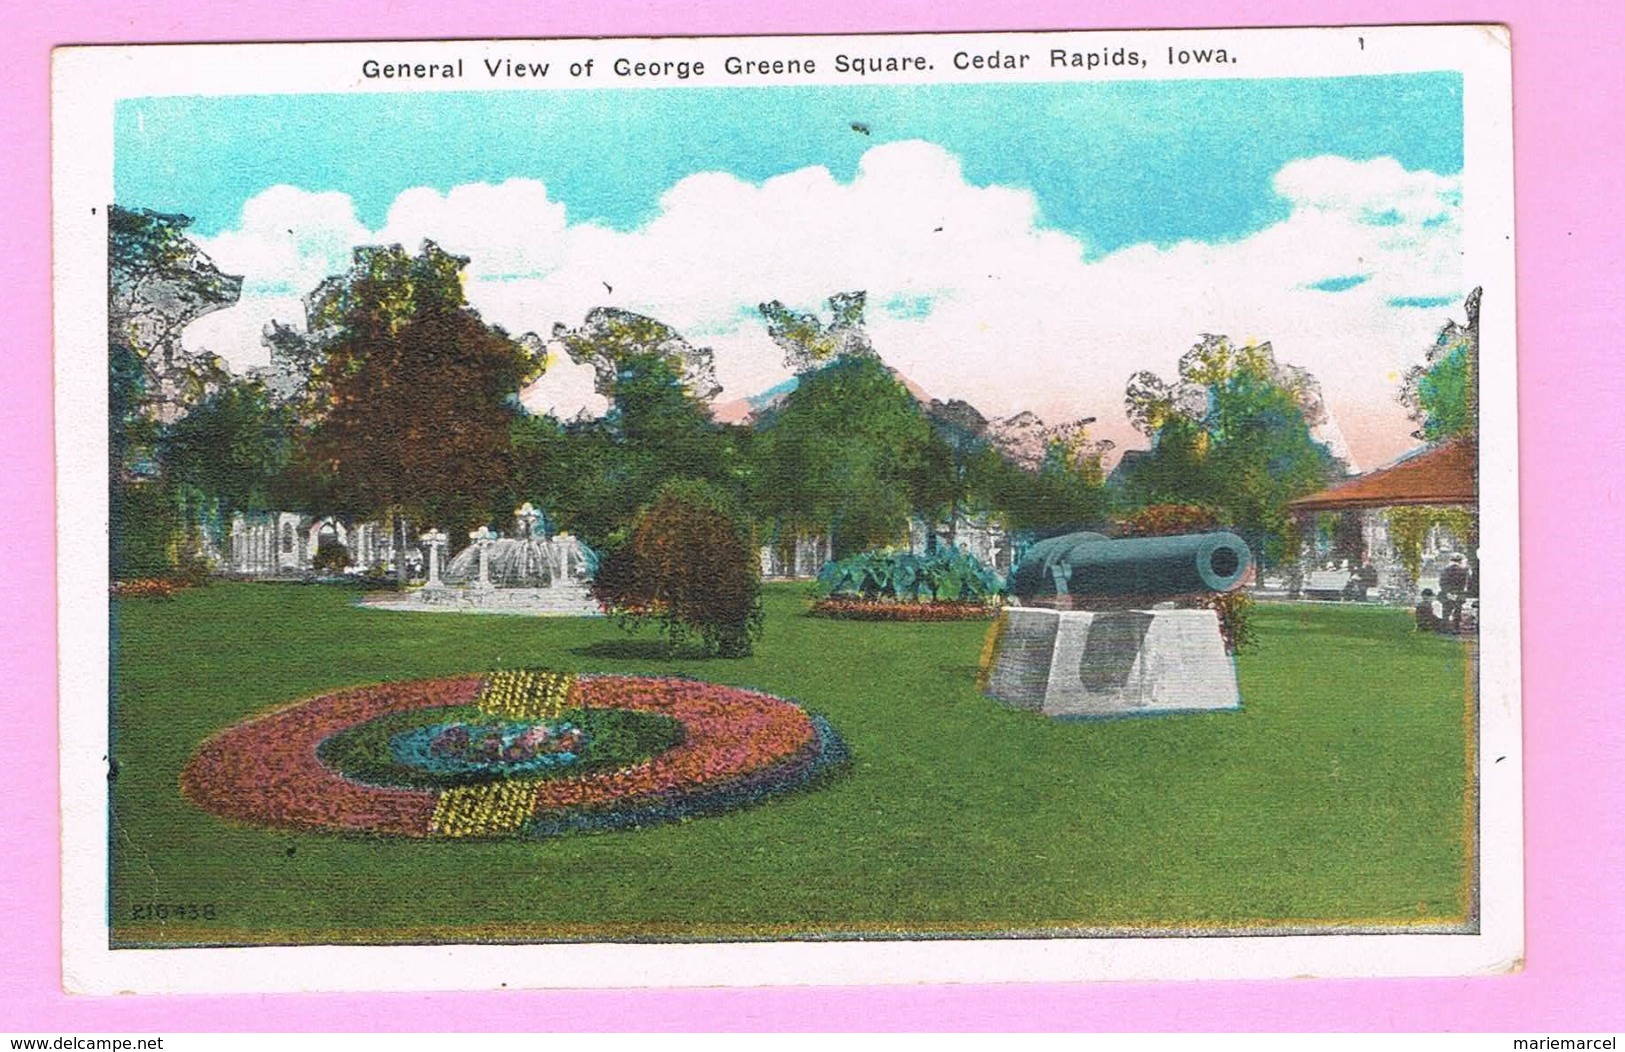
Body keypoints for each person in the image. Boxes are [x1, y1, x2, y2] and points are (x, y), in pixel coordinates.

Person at [1439, 553, 1470, 631]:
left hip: (1448, 593)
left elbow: (1442, 582)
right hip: (1459, 593)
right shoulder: (1464, 570)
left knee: (1446, 611)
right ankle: (1456, 628)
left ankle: (1444, 628)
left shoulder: (1445, 570)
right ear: (1460, 561)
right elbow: (1466, 583)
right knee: (1457, 611)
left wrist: (1447, 592)